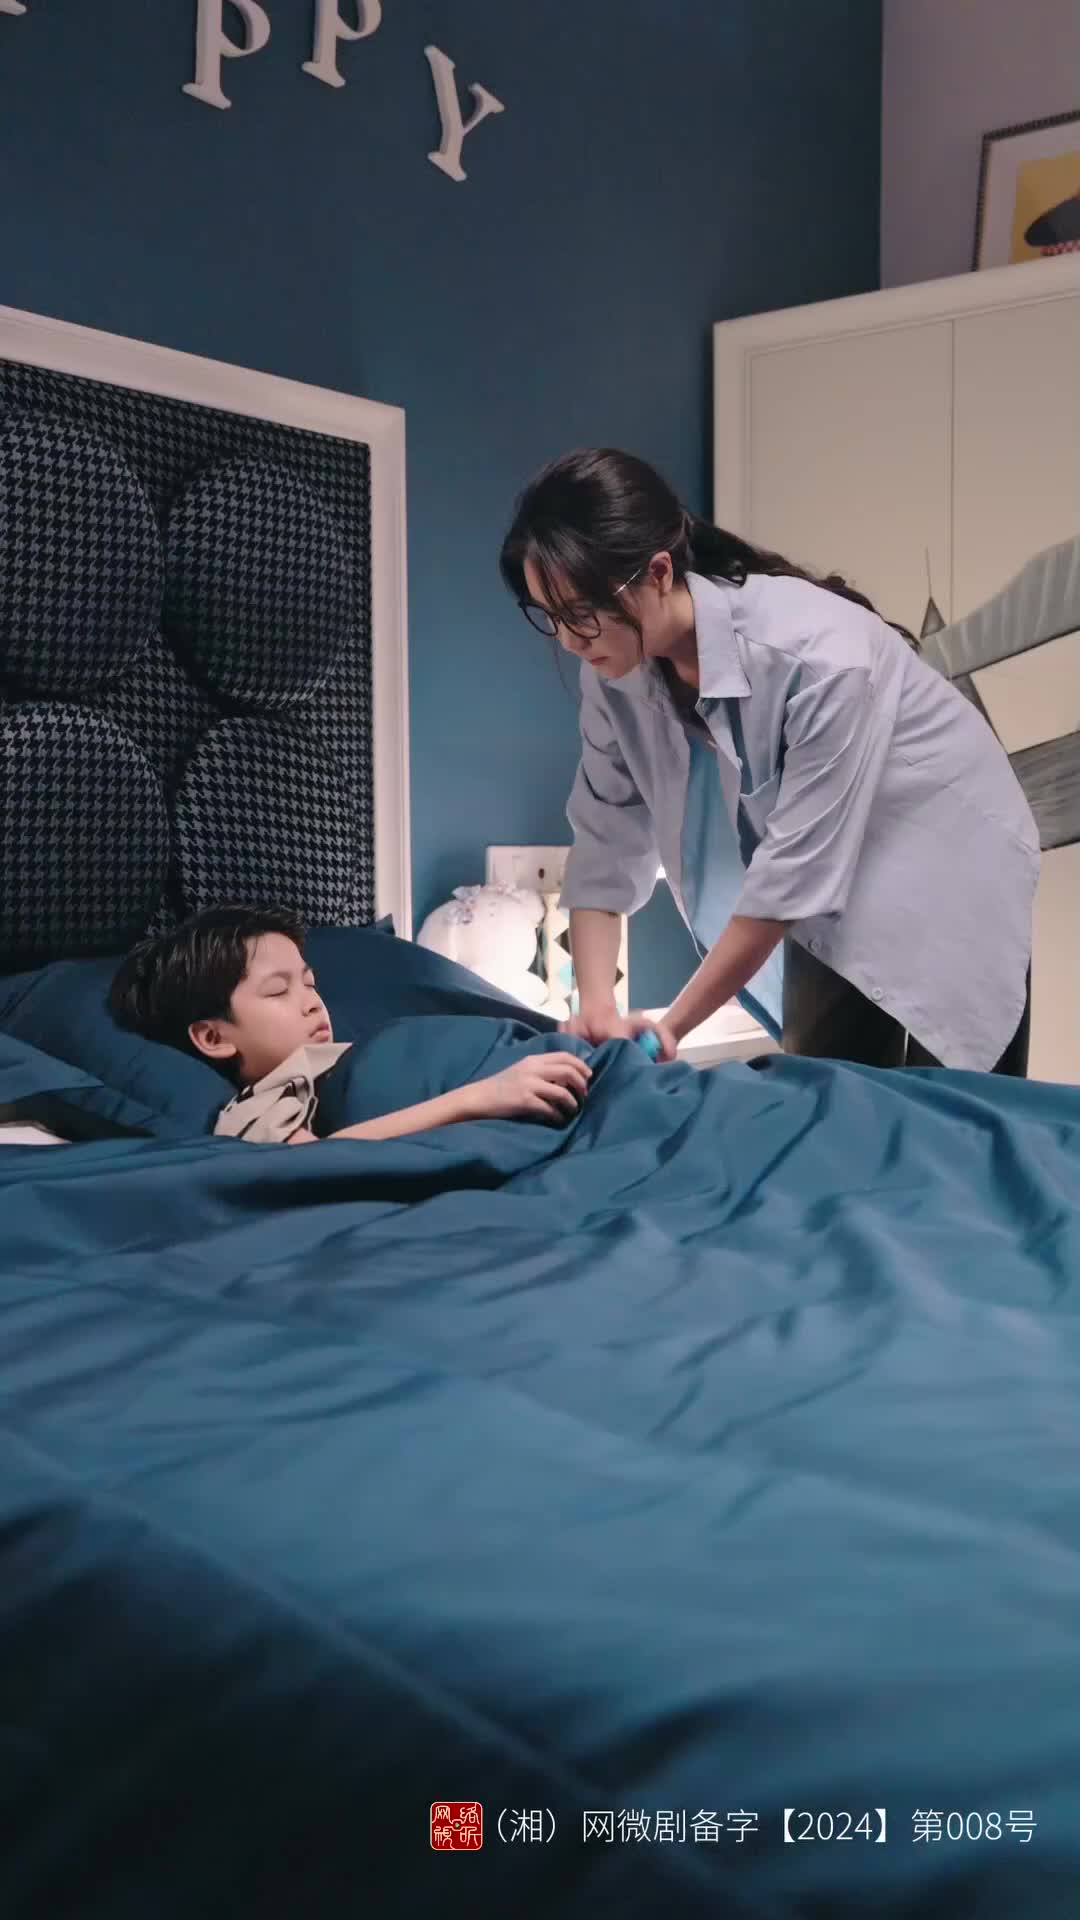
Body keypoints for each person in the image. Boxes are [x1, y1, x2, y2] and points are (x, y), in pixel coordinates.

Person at [500, 448, 1038, 1074]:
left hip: (950, 862)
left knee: (963, 1109)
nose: (569, 641)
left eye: (582, 615)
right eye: (550, 616)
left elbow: (787, 881)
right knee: (824, 1091)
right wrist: (596, 1007)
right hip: (821, 884)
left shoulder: (820, 655)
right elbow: (605, 837)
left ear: (659, 572)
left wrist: (667, 1031)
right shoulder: (613, 671)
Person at [108, 905, 591, 1144]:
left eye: (310, 983)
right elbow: (307, 1162)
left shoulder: (352, 1049)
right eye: (277, 991)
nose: (311, 1003)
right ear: (213, 1037)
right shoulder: (264, 1098)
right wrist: (478, 1098)